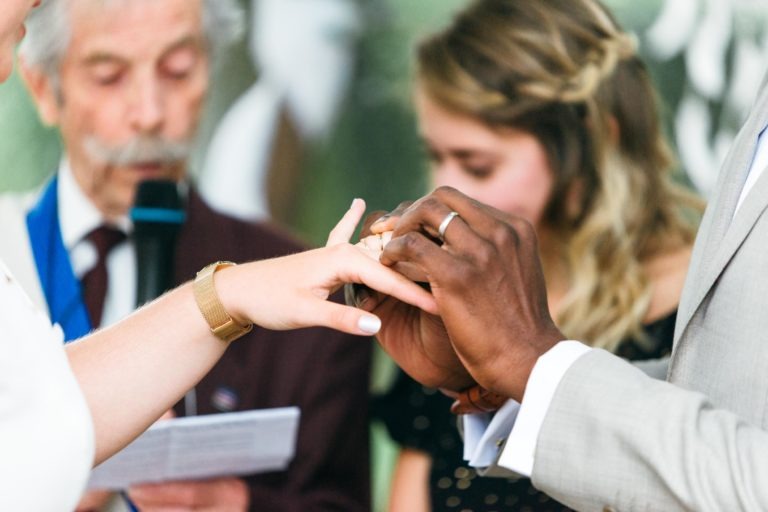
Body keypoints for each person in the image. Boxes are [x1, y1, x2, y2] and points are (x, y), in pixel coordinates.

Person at [0, 2, 437, 510]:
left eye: (178, 70)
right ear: (40, 88)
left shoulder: (304, 291)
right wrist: (45, 469)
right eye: (109, 76)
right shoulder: (8, 247)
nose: (150, 113)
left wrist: (235, 503)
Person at [360, 25, 768, 512]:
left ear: (586, 150)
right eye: (435, 156)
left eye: (479, 165)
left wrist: (531, 363)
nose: (443, 189)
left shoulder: (678, 306)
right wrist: (496, 385)